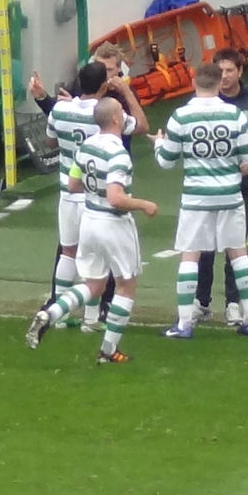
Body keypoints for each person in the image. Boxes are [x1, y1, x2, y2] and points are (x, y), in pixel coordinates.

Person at [26, 97, 160, 365]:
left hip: (88, 220)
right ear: (114, 119)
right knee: (126, 285)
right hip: (114, 223)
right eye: (121, 113)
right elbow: (116, 197)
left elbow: (74, 184)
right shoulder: (118, 152)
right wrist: (144, 204)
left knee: (94, 284)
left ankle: (51, 314)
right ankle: (108, 351)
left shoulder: (86, 145)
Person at [154, 63, 248, 338]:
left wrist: (158, 143)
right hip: (230, 195)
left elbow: (166, 162)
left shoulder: (180, 116)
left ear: (193, 81)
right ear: (218, 83)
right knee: (238, 252)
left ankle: (184, 324)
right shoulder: (234, 114)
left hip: (196, 198)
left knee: (190, 254)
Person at [32, 61, 127, 331]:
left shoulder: (61, 109)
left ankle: (59, 313)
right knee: (97, 257)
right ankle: (91, 317)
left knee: (68, 252)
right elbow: (138, 127)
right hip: (93, 195)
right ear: (104, 85)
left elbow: (51, 142)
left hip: (66, 191)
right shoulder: (104, 115)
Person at [193, 49, 248, 328]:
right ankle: (201, 302)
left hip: (244, 187)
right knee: (204, 247)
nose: (225, 76)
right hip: (208, 189)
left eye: (230, 70)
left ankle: (233, 304)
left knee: (234, 246)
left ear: (240, 72)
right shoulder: (203, 104)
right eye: (221, 71)